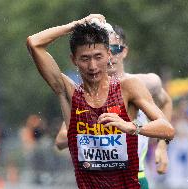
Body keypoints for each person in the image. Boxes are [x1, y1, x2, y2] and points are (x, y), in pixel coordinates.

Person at [26, 14, 174, 189]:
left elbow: (168, 130)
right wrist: (76, 25)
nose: (93, 66)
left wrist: (132, 128)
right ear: (73, 59)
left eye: (98, 56)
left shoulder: (128, 87)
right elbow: (33, 42)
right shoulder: (69, 92)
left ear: (109, 54)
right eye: (85, 58)